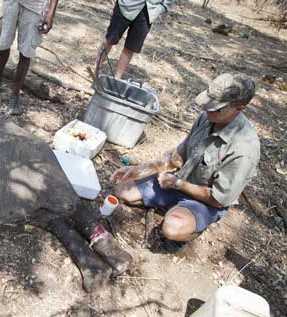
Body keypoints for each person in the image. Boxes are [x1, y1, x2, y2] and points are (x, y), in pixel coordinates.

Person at [111, 73, 260, 252]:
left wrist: (178, 184)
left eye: (217, 108)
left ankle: (189, 225)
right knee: (122, 189)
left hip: (206, 201)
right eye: (209, 104)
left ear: (239, 109)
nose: (209, 111)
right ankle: (170, 207)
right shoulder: (207, 118)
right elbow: (179, 155)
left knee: (172, 228)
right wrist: (140, 169)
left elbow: (219, 199)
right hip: (179, 183)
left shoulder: (243, 149)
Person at [0, 0, 58, 115]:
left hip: (35, 6)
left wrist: (50, 14)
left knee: (26, 51)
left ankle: (15, 95)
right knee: (3, 43)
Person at [97, 0, 174, 79]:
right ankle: (96, 70)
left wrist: (161, 8)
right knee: (110, 38)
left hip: (149, 12)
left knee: (131, 47)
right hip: (126, 5)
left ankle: (117, 78)